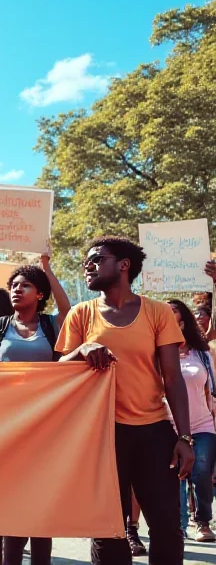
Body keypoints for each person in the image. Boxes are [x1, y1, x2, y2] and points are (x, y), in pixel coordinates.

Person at [55, 236, 194, 564]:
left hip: (153, 432)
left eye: (96, 259)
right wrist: (81, 350)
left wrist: (185, 438)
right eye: (86, 262)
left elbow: (173, 379)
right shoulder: (81, 314)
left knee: (166, 528)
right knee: (108, 530)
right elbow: (59, 370)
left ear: (124, 265)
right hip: (101, 436)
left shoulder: (158, 312)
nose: (88, 266)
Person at [0, 256, 71, 565]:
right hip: (6, 424)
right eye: (14, 285)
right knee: (12, 498)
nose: (17, 290)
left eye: (26, 285)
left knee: (40, 500)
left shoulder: (51, 324)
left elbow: (67, 308)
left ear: (41, 294)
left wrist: (47, 266)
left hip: (45, 423)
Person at [167, 300, 216, 542]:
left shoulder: (203, 354)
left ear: (183, 321)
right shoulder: (157, 353)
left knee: (202, 473)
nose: (166, 311)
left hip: (203, 425)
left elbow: (212, 390)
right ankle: (178, 525)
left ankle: (203, 522)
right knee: (174, 477)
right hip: (168, 426)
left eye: (172, 309)